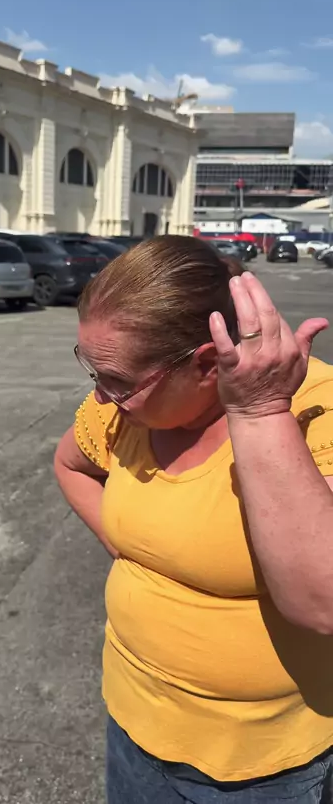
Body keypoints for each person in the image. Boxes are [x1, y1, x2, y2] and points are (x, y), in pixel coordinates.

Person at [54, 235, 333, 804]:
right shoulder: (122, 411)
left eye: (118, 381)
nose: (102, 398)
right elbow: (70, 465)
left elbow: (322, 604)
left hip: (260, 769)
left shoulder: (316, 409)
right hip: (134, 726)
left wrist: (259, 411)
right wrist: (133, 549)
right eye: (93, 372)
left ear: (206, 363)